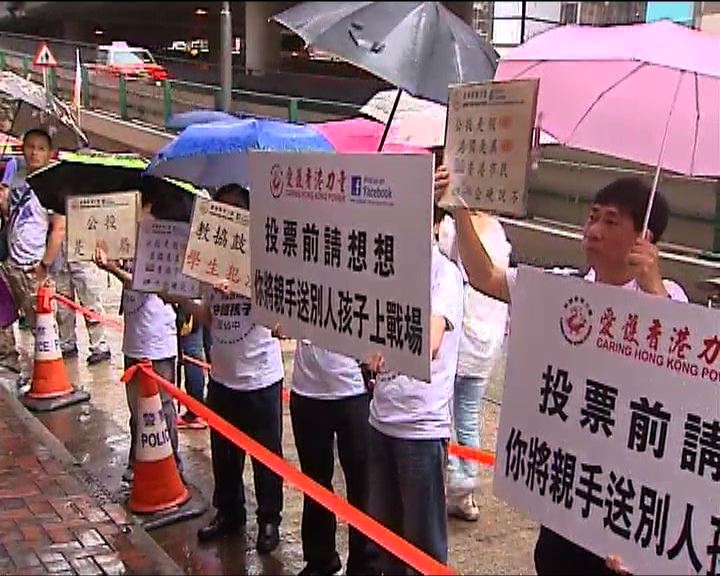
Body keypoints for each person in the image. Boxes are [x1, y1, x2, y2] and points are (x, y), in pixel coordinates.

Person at [434, 169, 688, 576]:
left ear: (646, 238)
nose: (594, 230)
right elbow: (487, 278)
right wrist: (462, 209)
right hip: (568, 492)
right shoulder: (562, 290)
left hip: (625, 502)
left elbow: (683, 384)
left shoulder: (667, 299)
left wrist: (652, 284)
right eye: (592, 217)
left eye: (611, 221)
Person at [166, 184, 283, 555]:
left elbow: (280, 314)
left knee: (267, 457)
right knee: (225, 457)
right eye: (221, 210)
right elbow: (208, 316)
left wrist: (244, 283)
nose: (228, 218)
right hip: (222, 378)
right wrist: (178, 297)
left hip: (261, 379)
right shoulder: (208, 261)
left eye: (236, 211)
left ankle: (269, 520)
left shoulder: (266, 258)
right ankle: (229, 513)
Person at [365, 205, 464, 574]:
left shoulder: (444, 275)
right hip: (381, 419)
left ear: (436, 223)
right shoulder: (384, 268)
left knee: (423, 547)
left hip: (421, 427)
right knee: (386, 540)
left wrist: (381, 346)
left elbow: (432, 339)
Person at [92, 191, 182, 484]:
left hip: (159, 342)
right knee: (136, 408)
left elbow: (148, 282)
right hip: (133, 340)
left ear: (149, 205)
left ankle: (172, 462)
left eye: (137, 203)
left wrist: (113, 268)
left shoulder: (164, 240)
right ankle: (138, 458)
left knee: (163, 406)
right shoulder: (126, 239)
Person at [438, 212, 510, 521]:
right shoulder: (497, 230)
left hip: (459, 341)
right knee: (468, 415)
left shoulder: (450, 229)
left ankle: (456, 482)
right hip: (487, 343)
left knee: (450, 415)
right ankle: (464, 491)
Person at [290, 342, 378, 575]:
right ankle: (321, 557)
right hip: (306, 387)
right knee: (314, 481)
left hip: (353, 390)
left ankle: (365, 564)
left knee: (362, 485)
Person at [2, 129, 64, 387]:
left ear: (49, 153)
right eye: (30, 147)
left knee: (42, 322)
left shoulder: (53, 186)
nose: (34, 152)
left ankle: (48, 377)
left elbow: (58, 229)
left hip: (34, 265)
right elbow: (9, 217)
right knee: (10, 316)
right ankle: (15, 365)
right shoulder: (16, 177)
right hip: (10, 262)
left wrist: (44, 265)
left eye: (40, 148)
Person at [175, 306, 207, 429]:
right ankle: (197, 410)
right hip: (195, 307)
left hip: (187, 309)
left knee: (192, 354)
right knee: (195, 352)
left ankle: (195, 413)